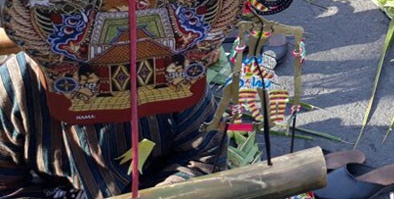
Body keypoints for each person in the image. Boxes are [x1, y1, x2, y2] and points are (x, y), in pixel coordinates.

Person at [0, 52, 226, 196]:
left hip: (158, 187)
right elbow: (6, 185)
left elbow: (204, 155)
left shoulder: (176, 70)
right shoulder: (14, 84)